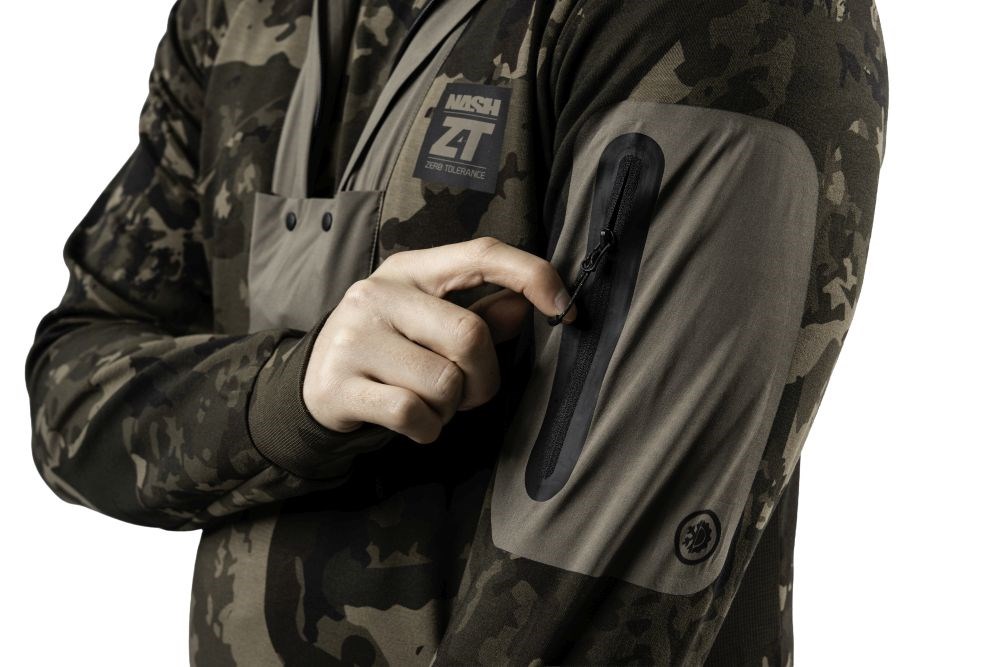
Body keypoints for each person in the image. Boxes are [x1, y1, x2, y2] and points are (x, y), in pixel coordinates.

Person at [24, 0, 889, 664]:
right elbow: (70, 395)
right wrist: (290, 392)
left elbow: (599, 612)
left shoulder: (712, 16)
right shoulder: (233, 15)